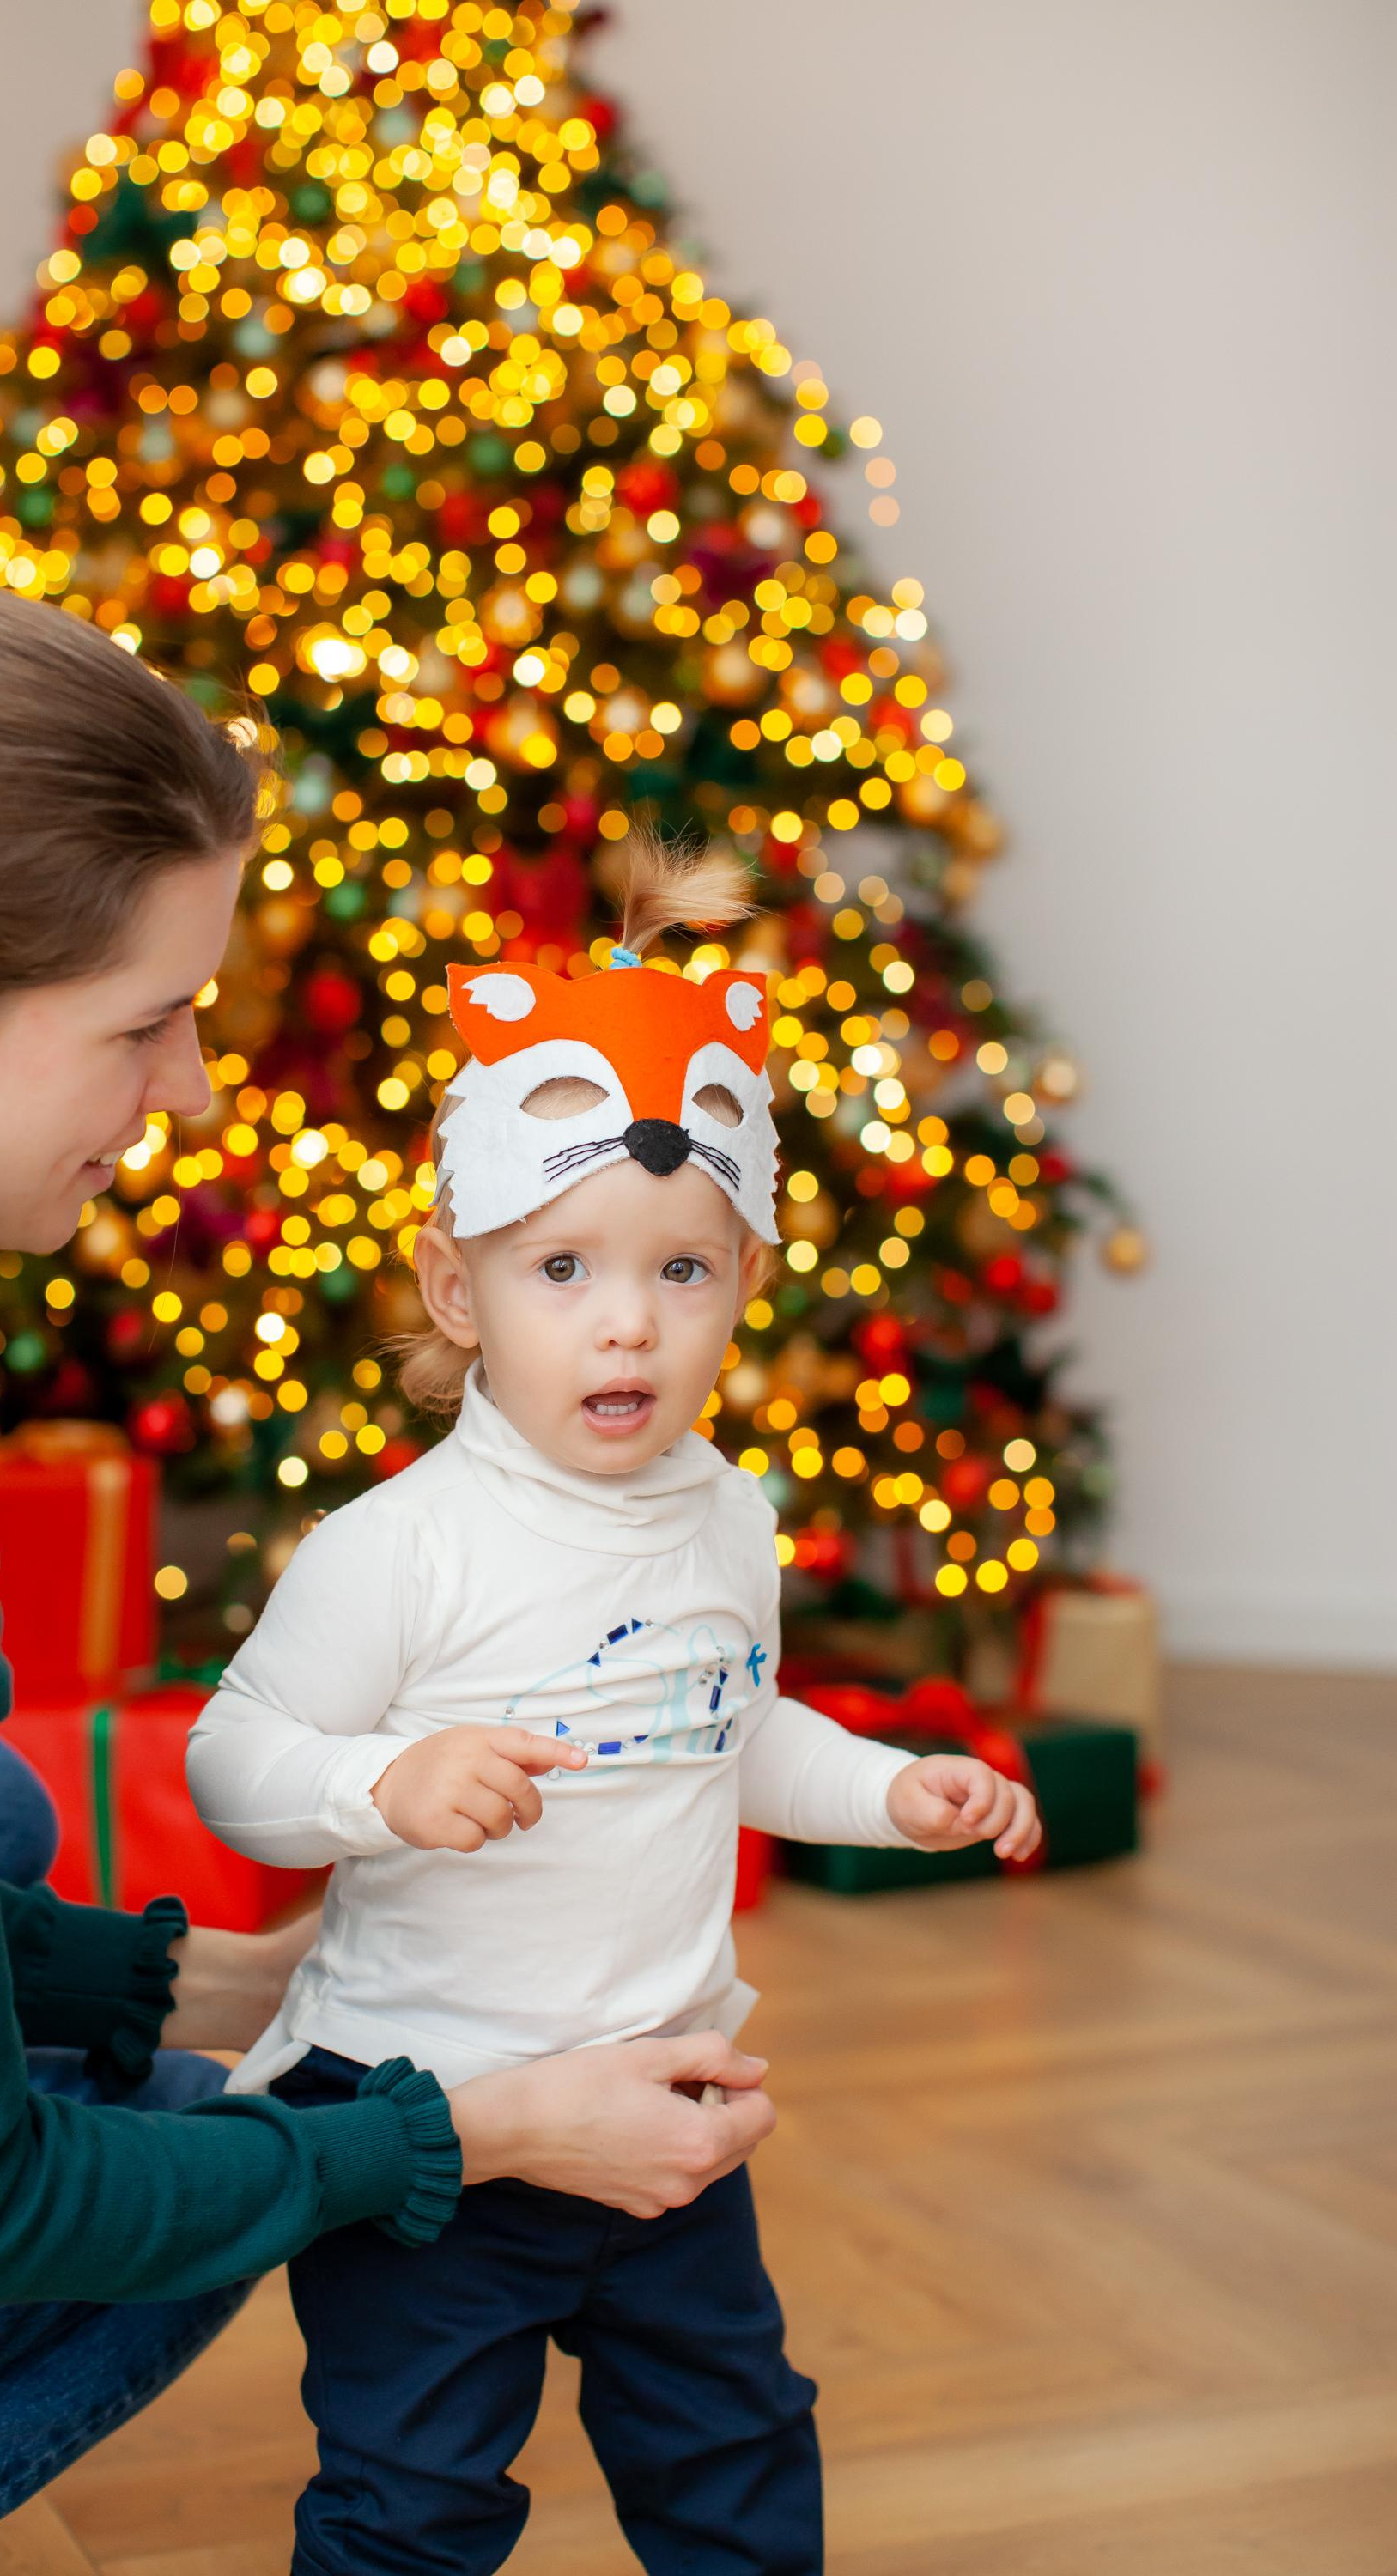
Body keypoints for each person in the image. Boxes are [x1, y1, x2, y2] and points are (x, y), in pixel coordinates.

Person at [0, 588, 778, 2576]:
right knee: (225, 2164)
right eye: (143, 1024)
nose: (190, 1091)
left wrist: (214, 1982)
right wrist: (463, 2136)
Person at [187, 839, 1042, 2575]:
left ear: (740, 1283)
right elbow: (234, 1765)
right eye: (561, 1269)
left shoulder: (725, 1512)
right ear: (459, 1290)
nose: (626, 1325)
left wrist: (890, 1794)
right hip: (427, 2131)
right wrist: (383, 1782)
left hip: (668, 2111)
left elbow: (733, 1733)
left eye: (681, 1270)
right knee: (410, 2502)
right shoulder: (401, 1549)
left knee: (736, 2452)